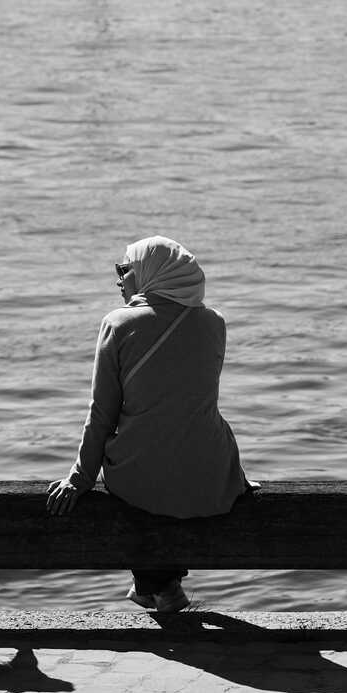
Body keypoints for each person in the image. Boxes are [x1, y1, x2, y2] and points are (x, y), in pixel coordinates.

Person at [45, 236, 249, 613]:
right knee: (173, 454)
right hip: (213, 471)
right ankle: (160, 586)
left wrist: (80, 477)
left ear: (149, 274)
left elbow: (101, 414)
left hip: (146, 476)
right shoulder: (214, 323)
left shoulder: (118, 323)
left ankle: (157, 586)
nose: (118, 280)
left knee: (139, 467)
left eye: (124, 270)